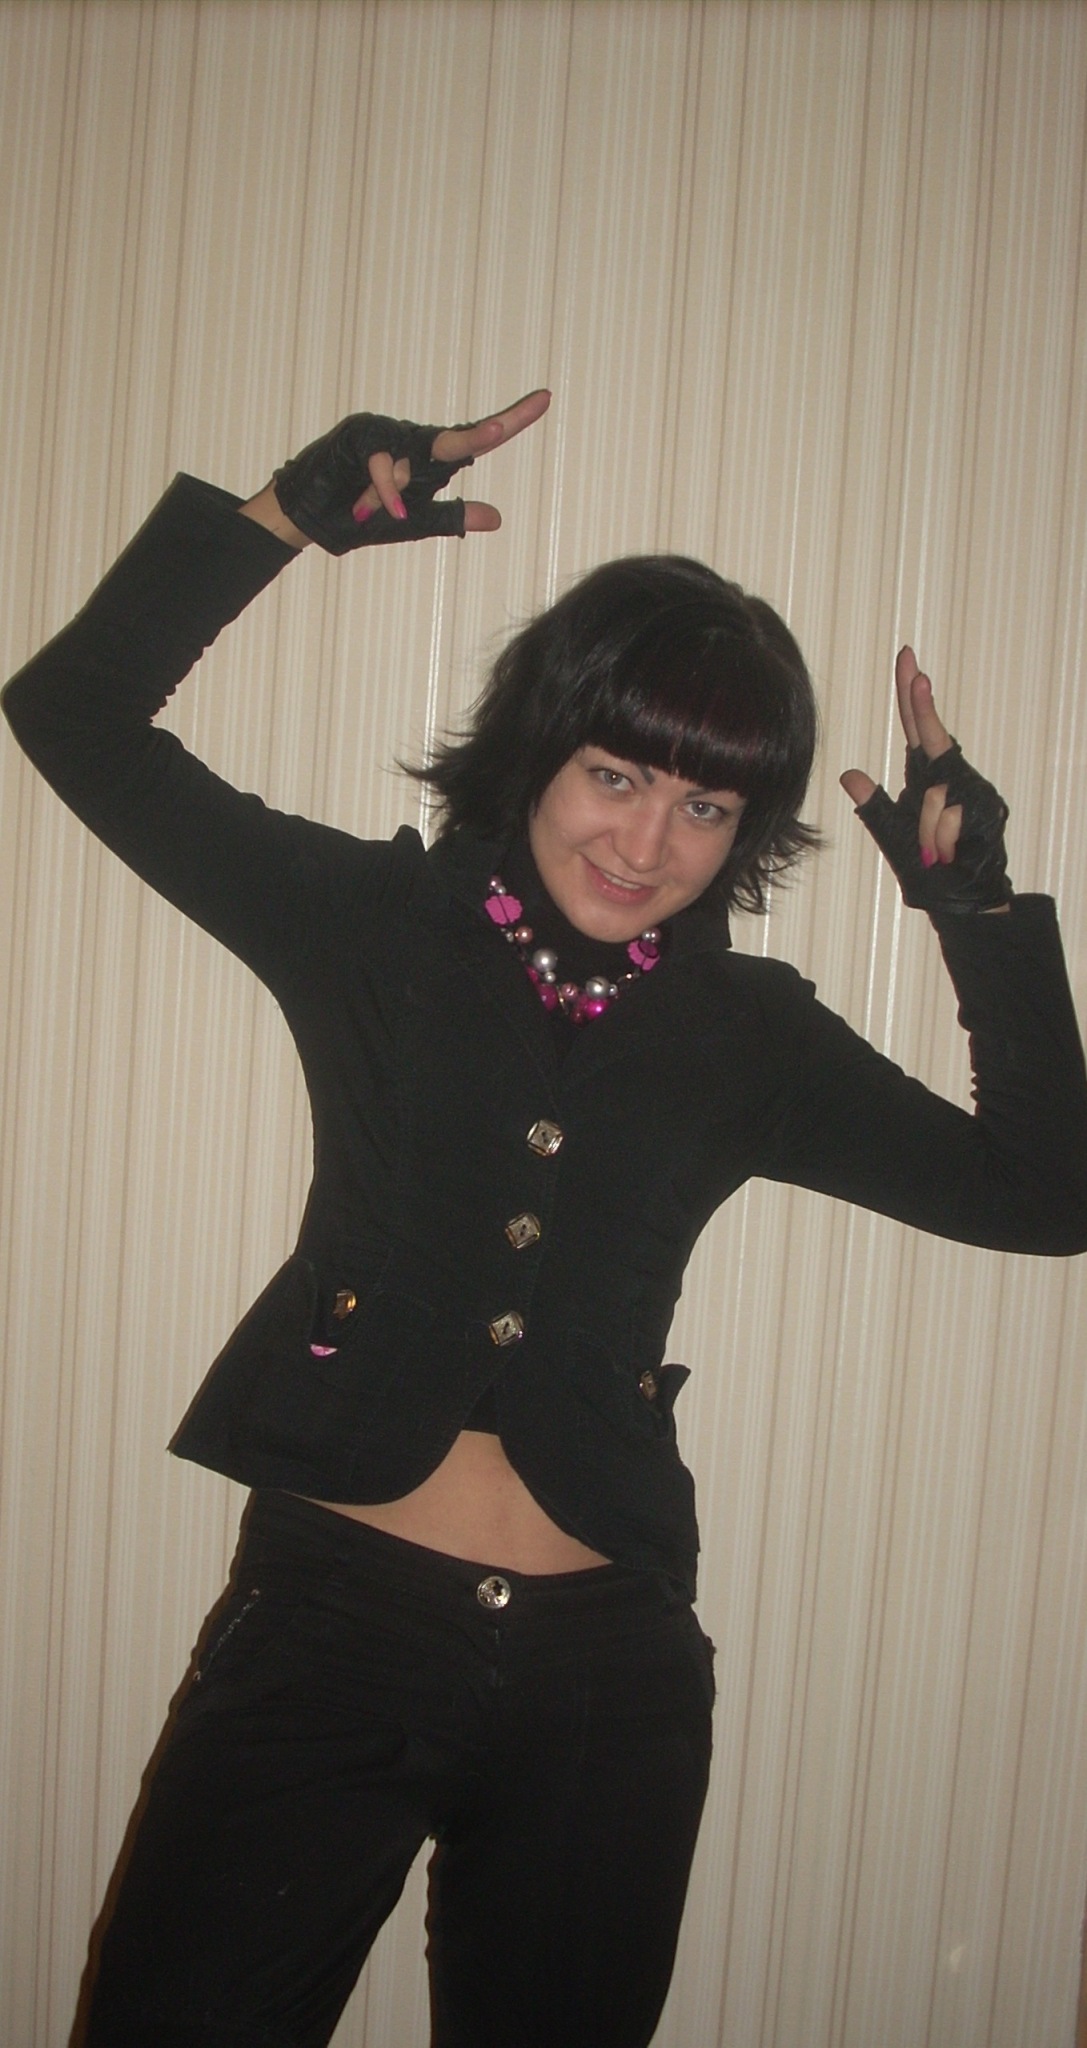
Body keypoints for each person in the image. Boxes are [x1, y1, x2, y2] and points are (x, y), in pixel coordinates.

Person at [4, 391, 1087, 2048]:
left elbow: (1049, 1195)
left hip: (608, 1684)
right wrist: (287, 519)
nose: (648, 843)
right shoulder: (376, 925)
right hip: (331, 1632)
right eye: (615, 775)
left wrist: (979, 913)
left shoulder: (748, 1035)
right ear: (539, 751)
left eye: (705, 808)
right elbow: (73, 714)